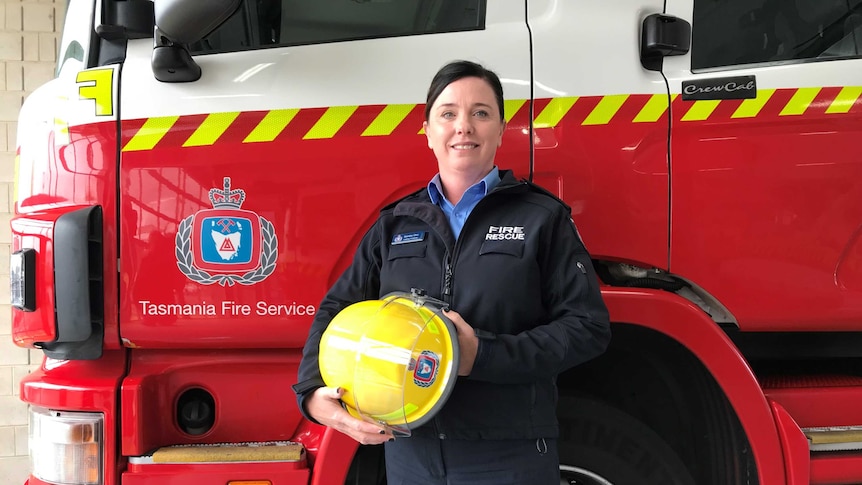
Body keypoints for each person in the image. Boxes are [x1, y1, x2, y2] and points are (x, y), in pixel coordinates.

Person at [292, 60, 611, 485]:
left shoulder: (541, 217)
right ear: (427, 131)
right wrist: (312, 392)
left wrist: (482, 354)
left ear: (500, 129)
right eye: (448, 114)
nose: (464, 126)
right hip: (410, 454)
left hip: (508, 454)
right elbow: (337, 307)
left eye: (481, 113)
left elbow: (588, 328)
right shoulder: (396, 223)